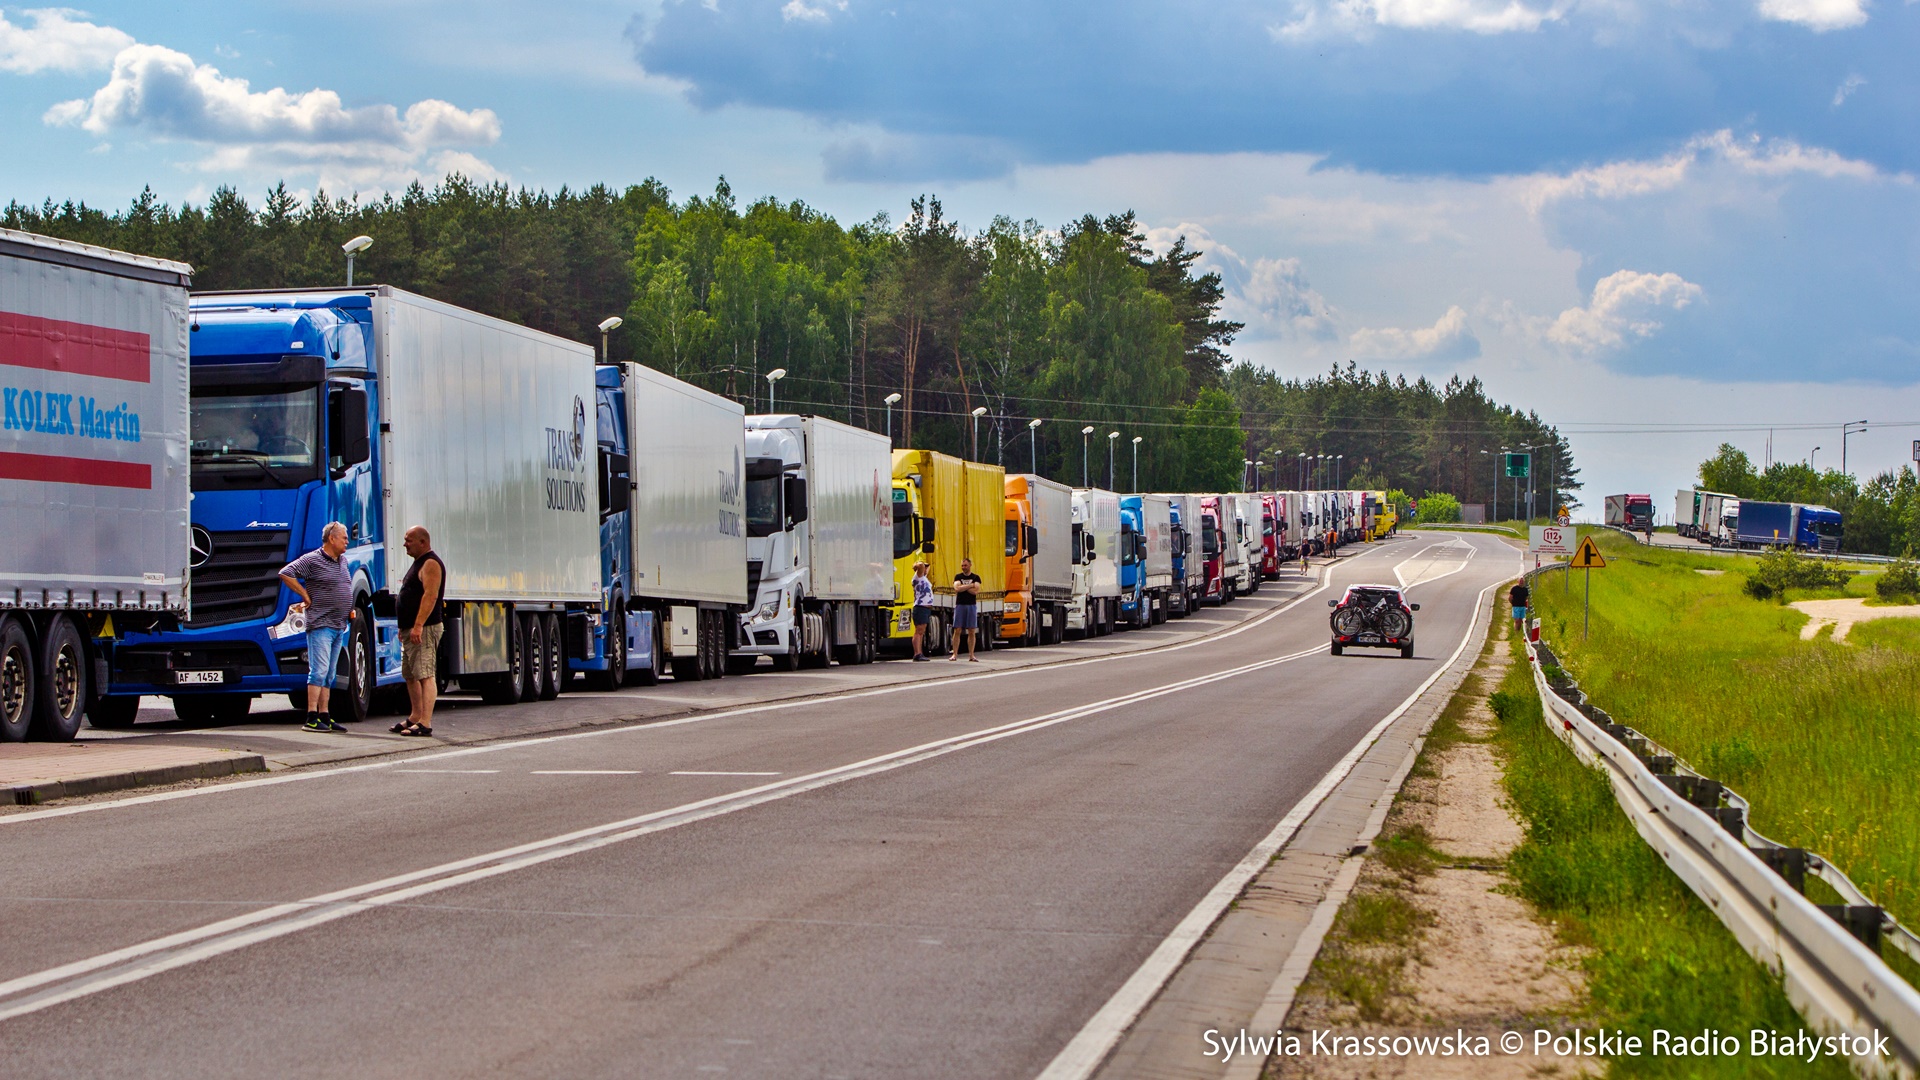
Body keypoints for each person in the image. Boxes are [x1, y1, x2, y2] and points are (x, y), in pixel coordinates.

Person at [279, 522, 356, 732]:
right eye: (344, 537)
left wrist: (349, 608)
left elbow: (343, 587)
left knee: (330, 674)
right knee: (319, 672)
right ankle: (311, 717)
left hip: (338, 625)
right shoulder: (312, 559)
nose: (347, 541)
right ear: (332, 538)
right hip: (321, 625)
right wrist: (304, 594)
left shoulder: (342, 561)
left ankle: (325, 715)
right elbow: (286, 573)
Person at [392, 525, 445, 737]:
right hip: (410, 629)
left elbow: (430, 596)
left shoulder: (431, 563)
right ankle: (415, 716)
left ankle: (425, 722)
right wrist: (404, 627)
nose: (405, 544)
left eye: (409, 540)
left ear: (423, 542)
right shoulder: (418, 563)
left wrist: (418, 625)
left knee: (425, 674)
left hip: (425, 629)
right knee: (411, 674)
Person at [950, 558, 983, 662]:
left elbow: (976, 591)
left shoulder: (976, 577)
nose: (963, 567)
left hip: (971, 605)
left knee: (971, 630)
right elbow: (957, 588)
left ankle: (971, 655)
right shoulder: (958, 576)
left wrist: (963, 587)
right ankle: (954, 654)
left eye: (965, 565)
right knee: (957, 629)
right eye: (962, 565)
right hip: (960, 605)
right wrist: (970, 585)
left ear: (970, 565)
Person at [909, 562, 934, 661]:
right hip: (920, 607)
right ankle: (917, 653)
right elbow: (920, 565)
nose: (926, 569)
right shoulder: (917, 577)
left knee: (921, 632)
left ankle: (920, 652)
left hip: (925, 608)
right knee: (918, 631)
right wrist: (918, 565)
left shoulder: (923, 578)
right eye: (925, 567)